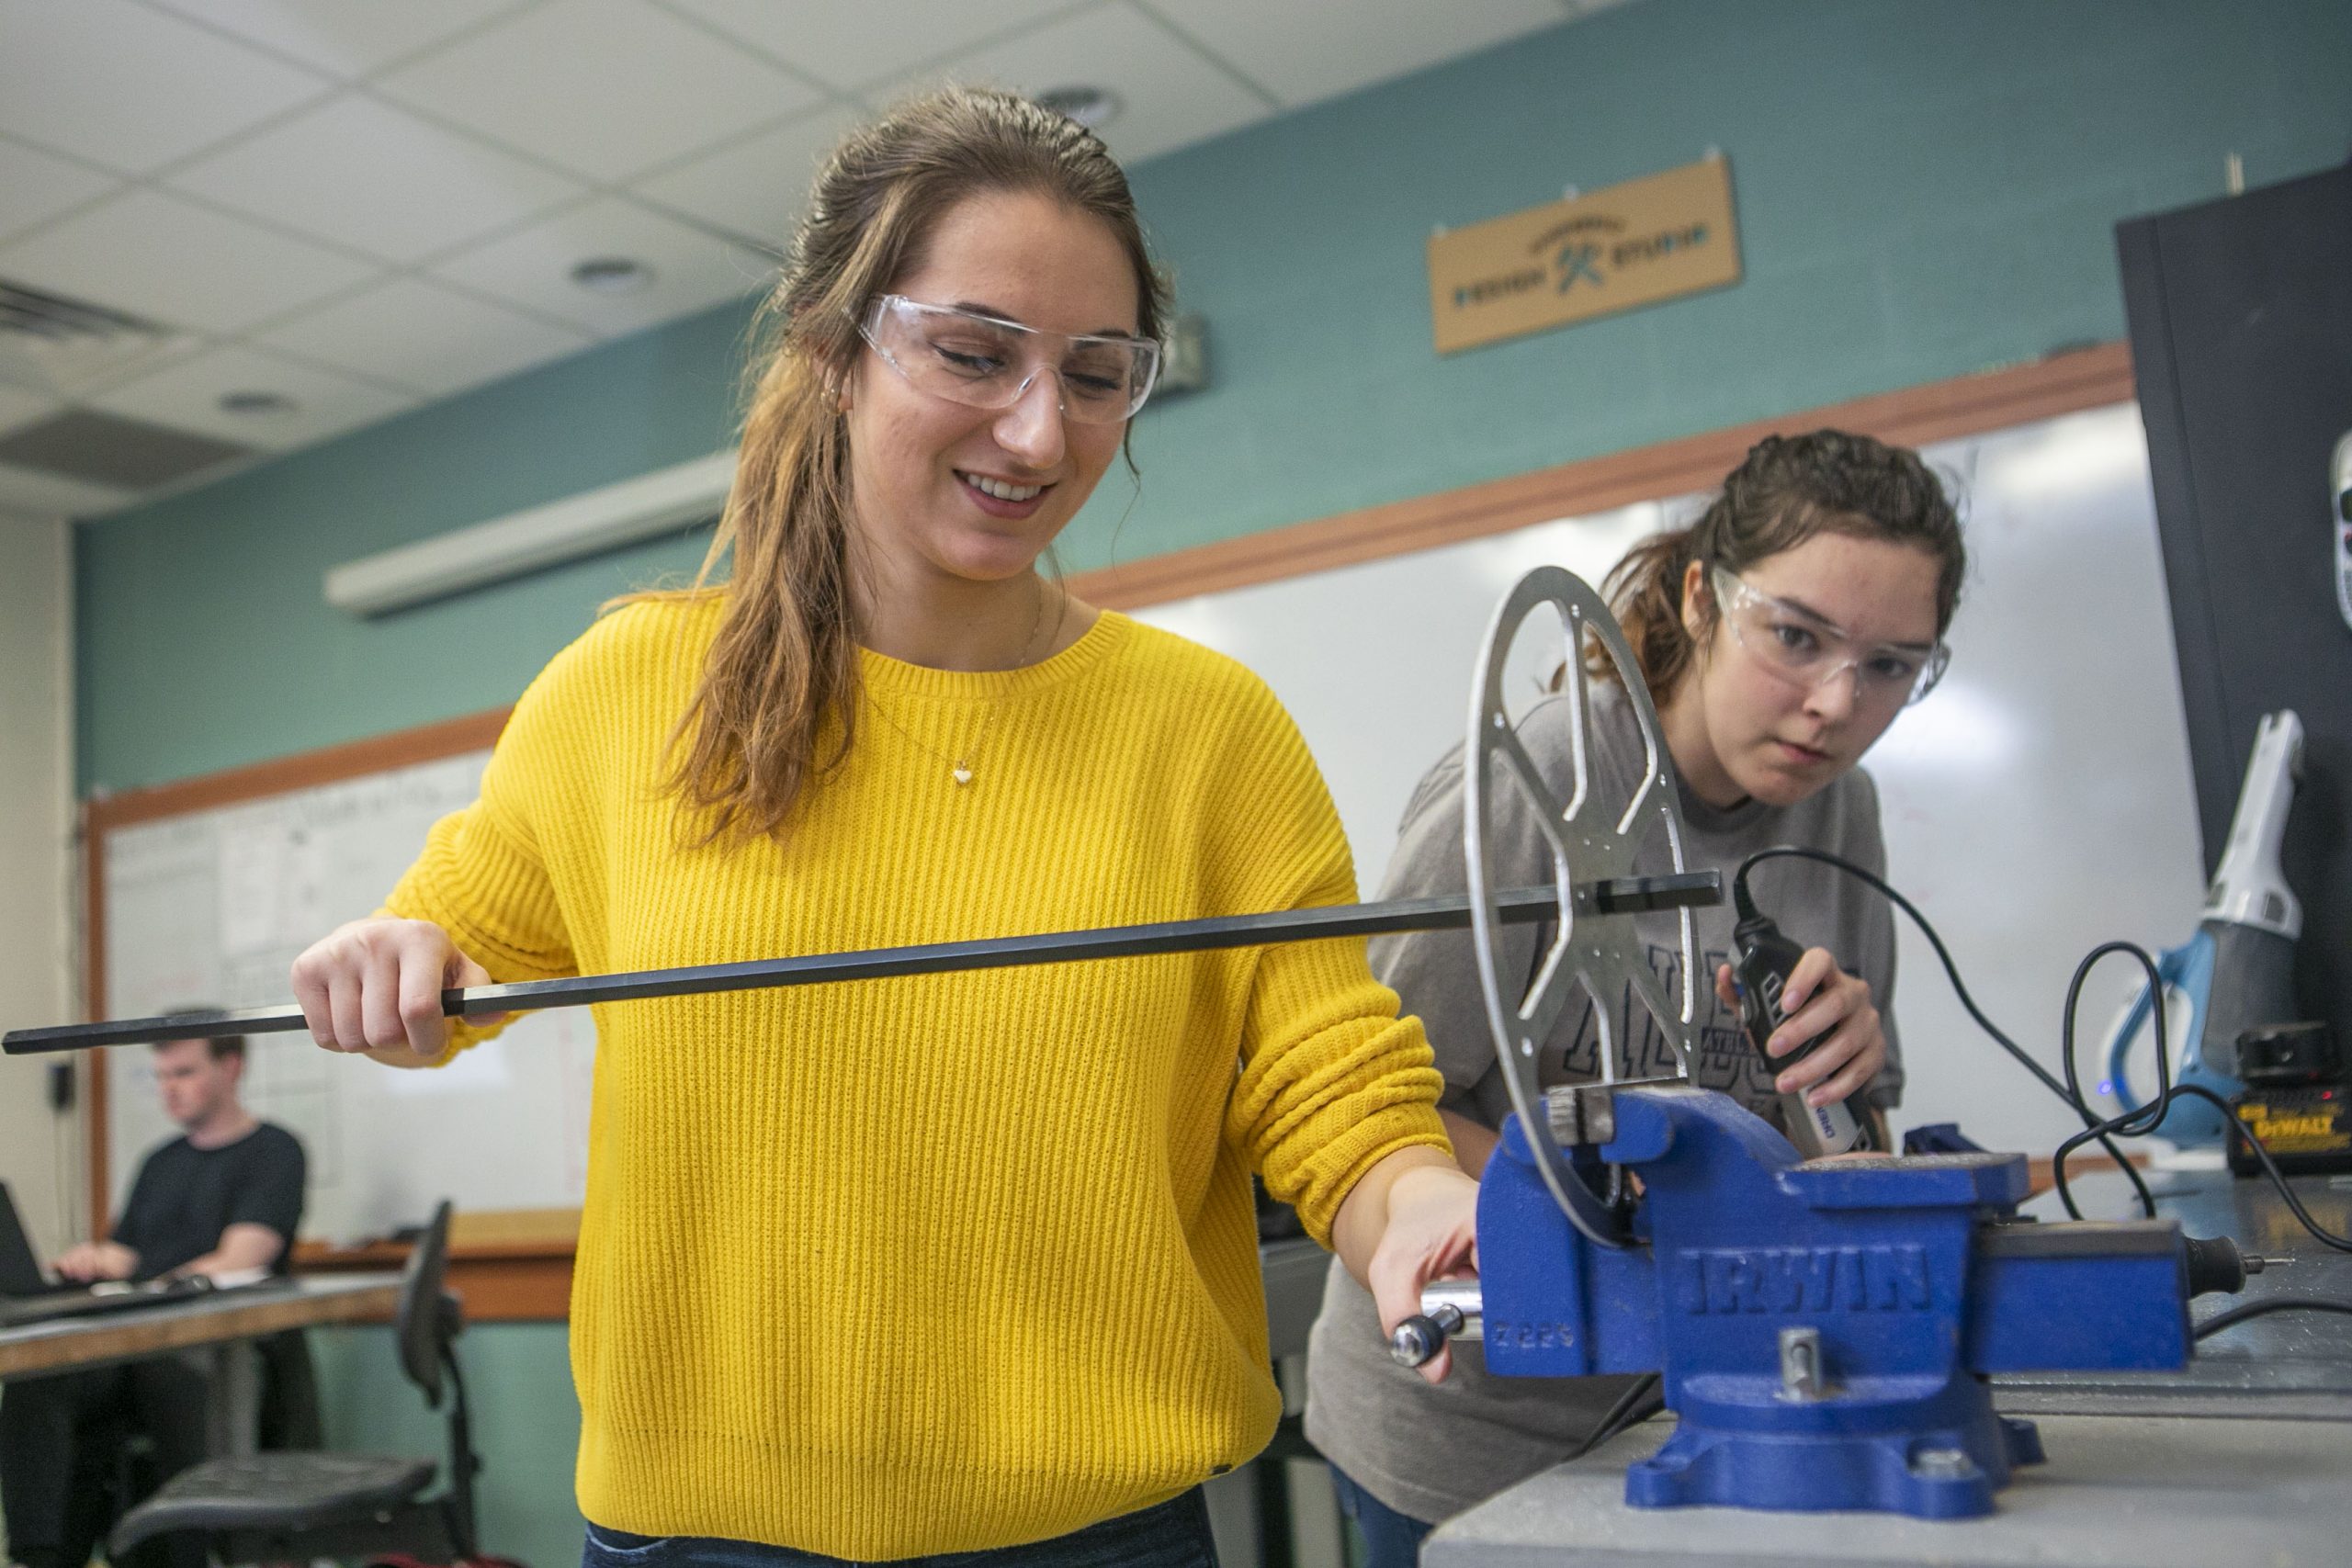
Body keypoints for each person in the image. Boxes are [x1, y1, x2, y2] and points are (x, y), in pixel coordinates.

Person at [286, 87, 1477, 1567]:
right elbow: (452, 949)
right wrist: (396, 963)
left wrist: (1414, 1200)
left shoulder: (1208, 730)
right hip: (700, 1537)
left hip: (1096, 1536)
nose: (1038, 429)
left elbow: (1326, 1073)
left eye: (1096, 374)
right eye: (974, 353)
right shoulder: (625, 689)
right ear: (833, 350)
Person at [1304, 429, 1966, 1561]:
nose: (1833, 704)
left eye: (1890, 666)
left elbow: (1847, 1152)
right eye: (1796, 637)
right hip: (1475, 1426)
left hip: (1702, 1397)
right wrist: (1623, 1198)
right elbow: (1373, 1103)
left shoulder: (1838, 809)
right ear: (1704, 598)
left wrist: (1845, 1087)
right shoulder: (1537, 784)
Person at [0, 1032, 309, 1568]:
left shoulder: (273, 1151)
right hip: (135, 1344)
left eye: (184, 1073)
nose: (169, 1088)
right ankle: (41, 1554)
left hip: (212, 1346)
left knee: (171, 1387)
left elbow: (241, 1258)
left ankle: (189, 1551)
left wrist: (148, 1281)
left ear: (231, 1067)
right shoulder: (160, 1162)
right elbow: (127, 1254)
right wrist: (95, 1260)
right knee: (41, 1377)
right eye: (162, 1076)